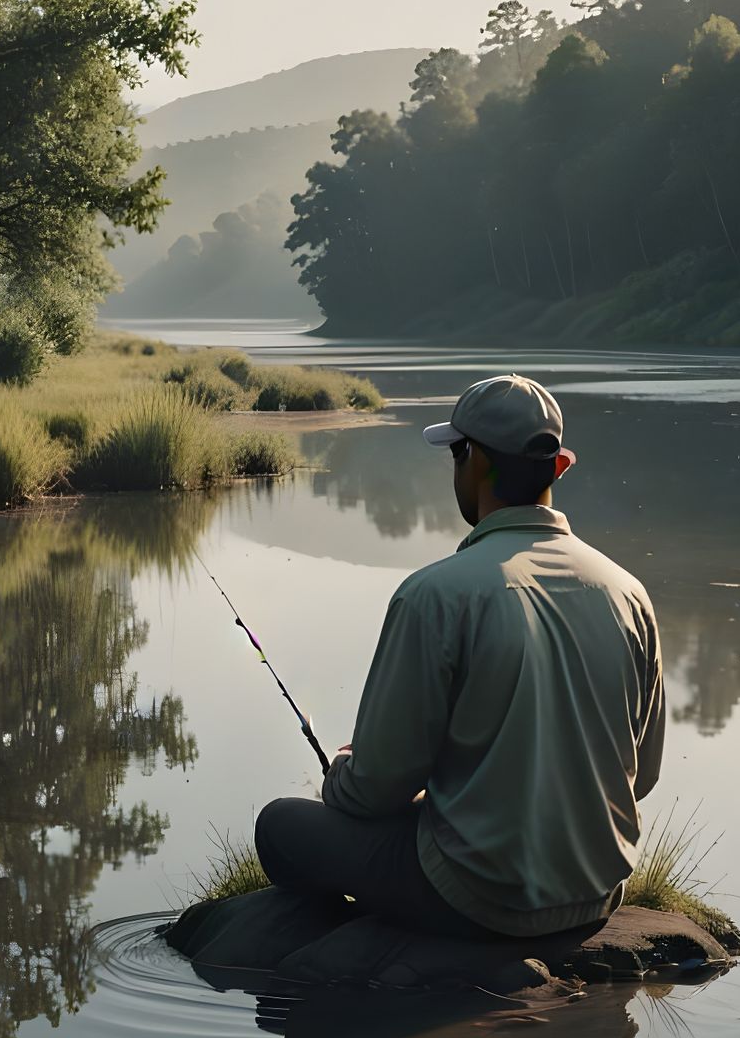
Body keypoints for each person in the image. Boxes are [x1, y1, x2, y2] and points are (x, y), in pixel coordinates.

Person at [255, 373, 664, 942]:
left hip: (477, 899)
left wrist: (344, 773)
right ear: (559, 466)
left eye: (455, 454)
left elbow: (375, 789)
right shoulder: (629, 593)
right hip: (596, 898)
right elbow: (639, 779)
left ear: (471, 460)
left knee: (279, 825)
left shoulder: (434, 596)